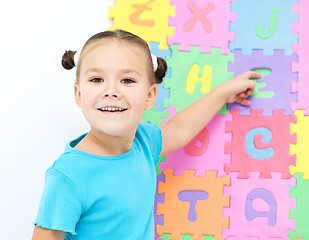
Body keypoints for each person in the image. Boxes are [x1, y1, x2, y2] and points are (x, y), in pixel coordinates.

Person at [32, 29, 261, 240]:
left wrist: (224, 92)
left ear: (150, 96)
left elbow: (181, 129)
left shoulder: (143, 141)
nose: (111, 91)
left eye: (127, 80)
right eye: (97, 80)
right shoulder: (67, 177)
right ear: (79, 94)